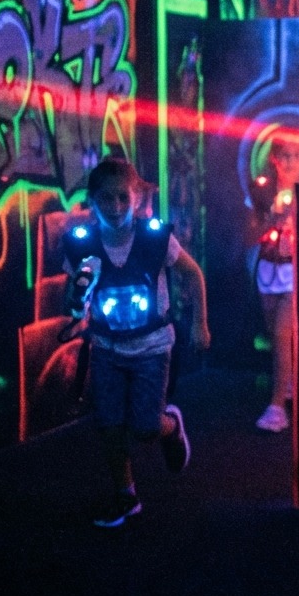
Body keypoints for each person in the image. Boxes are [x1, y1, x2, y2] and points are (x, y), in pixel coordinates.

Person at [63, 157, 210, 528]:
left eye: (121, 199)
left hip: (152, 348)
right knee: (110, 425)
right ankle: (126, 497)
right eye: (105, 199)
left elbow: (193, 274)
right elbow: (74, 296)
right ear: (92, 200)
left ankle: (171, 427)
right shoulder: (82, 245)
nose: (114, 208)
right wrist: (78, 302)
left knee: (144, 426)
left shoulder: (155, 238)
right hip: (107, 349)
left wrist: (199, 324)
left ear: (137, 199)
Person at [249, 135, 299, 432]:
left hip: (294, 272)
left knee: (282, 333)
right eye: (284, 155)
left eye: (296, 155)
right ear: (274, 157)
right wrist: (273, 219)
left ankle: (277, 407)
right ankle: (287, 385)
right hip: (268, 269)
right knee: (276, 335)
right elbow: (250, 233)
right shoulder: (261, 190)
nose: (290, 161)